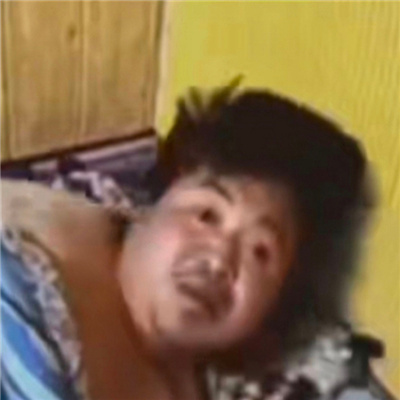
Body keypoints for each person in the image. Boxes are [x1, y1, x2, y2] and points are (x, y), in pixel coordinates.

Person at [1, 85, 388, 400]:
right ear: (158, 199)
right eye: (207, 216)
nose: (220, 259)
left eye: (260, 251)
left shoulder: (243, 380)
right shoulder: (27, 280)